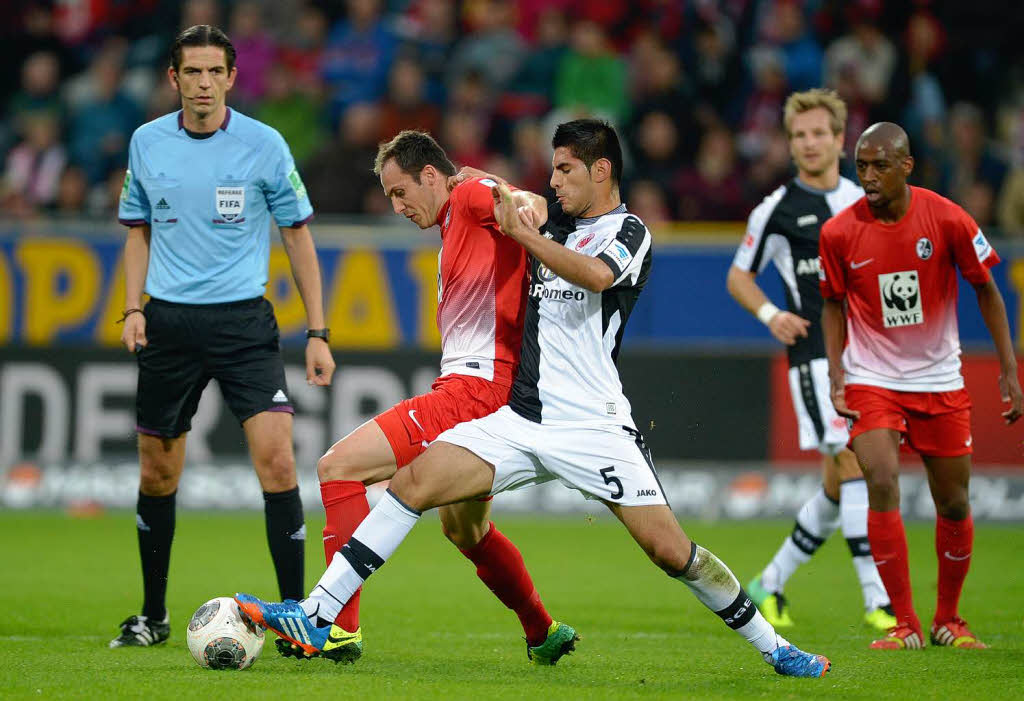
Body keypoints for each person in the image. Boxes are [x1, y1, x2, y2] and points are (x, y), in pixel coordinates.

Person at [237, 119, 832, 678]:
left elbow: (597, 277)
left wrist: (517, 222)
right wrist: (483, 190)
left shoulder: (628, 231)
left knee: (672, 552)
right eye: (551, 170)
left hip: (594, 425)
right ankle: (319, 617)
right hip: (520, 419)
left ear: (601, 172)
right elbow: (498, 199)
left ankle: (777, 649)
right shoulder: (549, 229)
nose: (553, 181)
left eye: (566, 169)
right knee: (411, 487)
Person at [294, 129, 573, 665]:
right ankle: (543, 630)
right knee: (465, 529)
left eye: (400, 193)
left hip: (474, 390)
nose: (396, 206)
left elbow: (527, 204)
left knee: (339, 467)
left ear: (430, 176)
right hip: (494, 391)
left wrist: (516, 196)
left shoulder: (469, 196)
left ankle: (336, 627)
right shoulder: (455, 216)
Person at [110, 25, 335, 648]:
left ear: (232, 78)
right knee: (158, 474)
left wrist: (318, 331)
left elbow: (297, 236)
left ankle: (297, 620)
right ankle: (152, 617)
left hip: (243, 325)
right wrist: (132, 308)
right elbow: (137, 231)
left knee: (279, 459)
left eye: (215, 73)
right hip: (169, 324)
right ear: (173, 79)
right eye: (192, 73)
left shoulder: (264, 145)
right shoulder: (146, 142)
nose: (204, 84)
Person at [819, 122, 1023, 649]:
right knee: (881, 479)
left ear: (906, 166)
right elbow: (832, 303)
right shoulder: (839, 232)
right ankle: (904, 623)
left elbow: (988, 291)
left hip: (938, 381)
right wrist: (837, 370)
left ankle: (947, 620)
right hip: (872, 380)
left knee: (953, 502)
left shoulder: (948, 218)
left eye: (879, 165)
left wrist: (1008, 367)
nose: (867, 176)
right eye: (860, 165)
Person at [726, 88, 894, 631]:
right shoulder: (774, 210)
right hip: (816, 359)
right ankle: (878, 601)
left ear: (840, 139)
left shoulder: (862, 202)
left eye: (819, 133)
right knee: (854, 465)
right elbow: (738, 275)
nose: (809, 143)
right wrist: (772, 314)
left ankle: (767, 585)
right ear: (790, 143)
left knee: (836, 483)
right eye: (799, 135)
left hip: (868, 357)